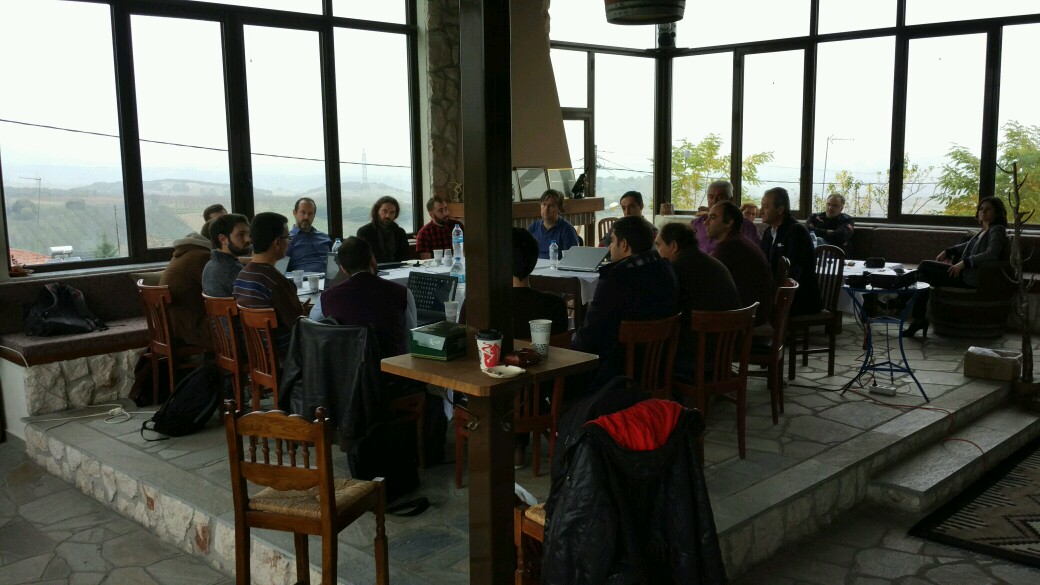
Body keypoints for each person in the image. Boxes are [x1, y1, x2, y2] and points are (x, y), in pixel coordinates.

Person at [572, 216, 679, 394]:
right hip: (659, 366)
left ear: (624, 245)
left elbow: (590, 335)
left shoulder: (616, 280)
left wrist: (568, 349)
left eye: (613, 241)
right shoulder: (666, 269)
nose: (609, 247)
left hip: (618, 375)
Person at [904, 196, 1010, 337]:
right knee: (924, 278)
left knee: (924, 265)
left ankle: (901, 302)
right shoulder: (984, 230)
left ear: (997, 213)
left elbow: (992, 253)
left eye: (988, 209)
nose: (983, 211)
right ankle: (918, 319)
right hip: (964, 274)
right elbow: (967, 245)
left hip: (970, 277)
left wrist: (965, 262)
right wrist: (949, 251)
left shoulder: (997, 229)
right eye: (981, 209)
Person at [655, 222, 739, 373]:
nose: (657, 252)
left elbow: (664, 312)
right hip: (725, 351)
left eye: (659, 246)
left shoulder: (676, 269)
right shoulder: (712, 263)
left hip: (699, 357)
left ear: (673, 246)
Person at [317, 237, 417, 359]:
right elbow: (411, 339)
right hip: (391, 367)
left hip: (347, 367)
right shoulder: (402, 293)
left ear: (343, 269)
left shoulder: (326, 298)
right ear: (373, 260)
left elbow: (313, 328)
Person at [233, 212, 305, 352]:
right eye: (288, 237)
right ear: (277, 242)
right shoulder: (275, 281)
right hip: (287, 356)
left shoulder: (242, 275)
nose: (289, 242)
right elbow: (299, 325)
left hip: (258, 353)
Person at [706, 201, 773, 326]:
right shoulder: (737, 240)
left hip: (746, 320)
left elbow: (707, 281)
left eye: (713, 218)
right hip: (753, 313)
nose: (706, 222)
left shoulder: (729, 246)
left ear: (729, 222)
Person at [760, 187, 821, 316]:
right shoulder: (768, 232)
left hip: (799, 299)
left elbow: (794, 272)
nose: (760, 211)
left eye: (765, 207)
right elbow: (763, 263)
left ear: (780, 209)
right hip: (776, 292)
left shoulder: (796, 231)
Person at [159, 231, 213, 350]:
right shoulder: (202, 256)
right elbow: (216, 290)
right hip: (189, 328)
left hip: (171, 325)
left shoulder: (181, 254)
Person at [692, 180, 761, 255]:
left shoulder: (747, 227)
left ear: (730, 199)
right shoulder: (697, 223)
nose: (715, 201)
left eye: (720, 197)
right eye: (711, 197)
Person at [203, 213, 251, 298]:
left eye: (248, 234)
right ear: (223, 239)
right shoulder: (234, 270)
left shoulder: (210, 264)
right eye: (241, 234)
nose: (248, 239)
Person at [527, 189, 580, 259]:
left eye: (551, 206)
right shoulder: (533, 228)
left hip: (557, 265)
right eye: (544, 204)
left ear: (559, 208)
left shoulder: (567, 230)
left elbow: (573, 258)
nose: (546, 209)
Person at [356, 195, 410, 263]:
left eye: (392, 212)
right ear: (377, 211)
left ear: (395, 214)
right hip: (374, 268)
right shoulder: (364, 232)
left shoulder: (400, 232)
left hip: (398, 267)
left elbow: (405, 257)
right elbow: (363, 259)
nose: (388, 215)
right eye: (385, 211)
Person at [285, 197, 331, 273]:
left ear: (314, 215)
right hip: (304, 278)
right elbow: (281, 271)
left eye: (310, 214)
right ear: (294, 213)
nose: (306, 217)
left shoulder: (324, 237)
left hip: (330, 278)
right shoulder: (287, 240)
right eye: (303, 213)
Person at [415, 195, 463, 259]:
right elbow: (426, 262)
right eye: (441, 211)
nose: (446, 213)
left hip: (459, 263)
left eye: (446, 209)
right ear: (431, 214)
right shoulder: (424, 233)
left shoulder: (457, 226)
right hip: (436, 265)